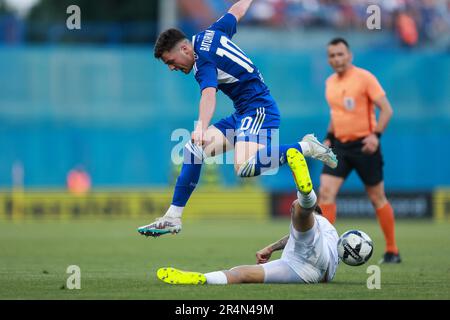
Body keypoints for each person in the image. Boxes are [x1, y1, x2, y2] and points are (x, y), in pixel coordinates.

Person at [138, 0, 337, 238]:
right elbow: (236, 11)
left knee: (243, 167)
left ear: (183, 49)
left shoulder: (203, 62)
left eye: (170, 62)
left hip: (258, 109)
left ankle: (306, 146)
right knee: (193, 150)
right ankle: (172, 217)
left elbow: (208, 95)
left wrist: (201, 127)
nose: (171, 68)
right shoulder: (210, 33)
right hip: (243, 112)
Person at [156, 148, 340, 285]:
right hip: (305, 272)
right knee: (240, 274)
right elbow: (297, 234)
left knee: (300, 210)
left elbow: (304, 227)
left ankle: (306, 196)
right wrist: (271, 247)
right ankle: (203, 279)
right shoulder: (330, 239)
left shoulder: (325, 226)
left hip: (303, 262)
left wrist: (273, 246)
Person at [318, 38, 401, 264]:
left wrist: (376, 136)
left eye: (340, 54)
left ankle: (392, 250)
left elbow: (386, 110)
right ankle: (325, 251)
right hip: (340, 147)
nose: (336, 59)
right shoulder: (330, 82)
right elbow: (336, 116)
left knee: (377, 197)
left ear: (349, 55)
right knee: (325, 192)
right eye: (332, 55)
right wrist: (328, 138)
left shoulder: (365, 78)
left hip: (365, 145)